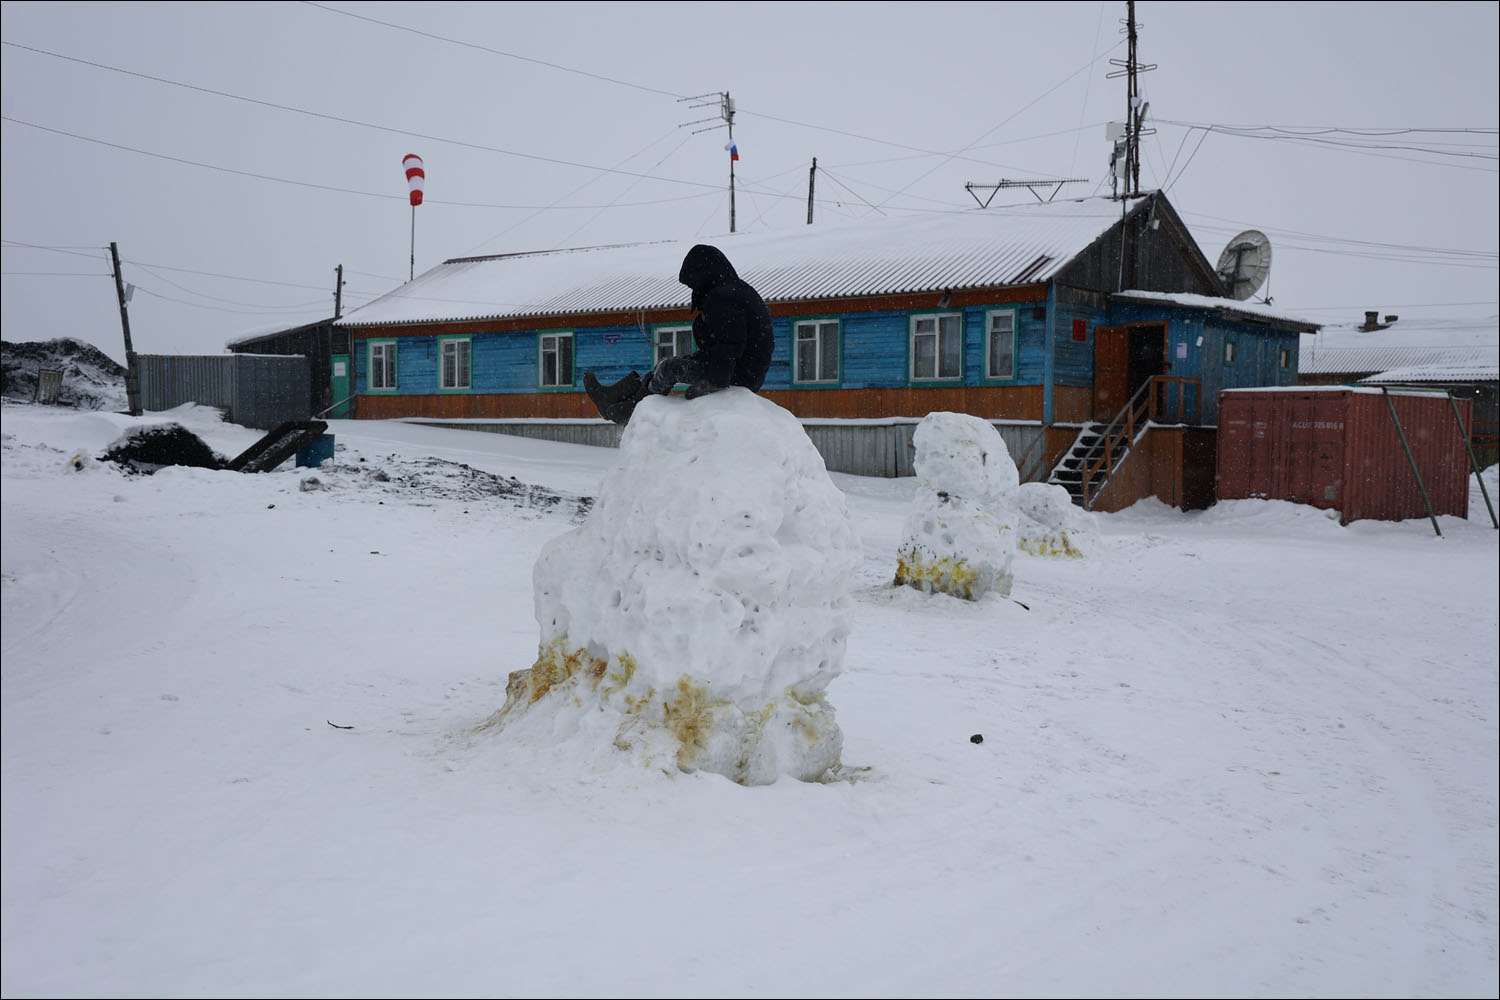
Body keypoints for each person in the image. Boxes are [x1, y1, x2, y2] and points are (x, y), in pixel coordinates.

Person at [584, 244, 774, 425]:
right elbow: (723, 343)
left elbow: (730, 343)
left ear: (703, 275)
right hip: (741, 370)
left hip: (737, 375)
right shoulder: (733, 291)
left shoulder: (723, 296)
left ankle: (636, 410)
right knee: (666, 365)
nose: (694, 290)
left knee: (670, 368)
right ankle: (612, 397)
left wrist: (715, 381)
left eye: (694, 284)